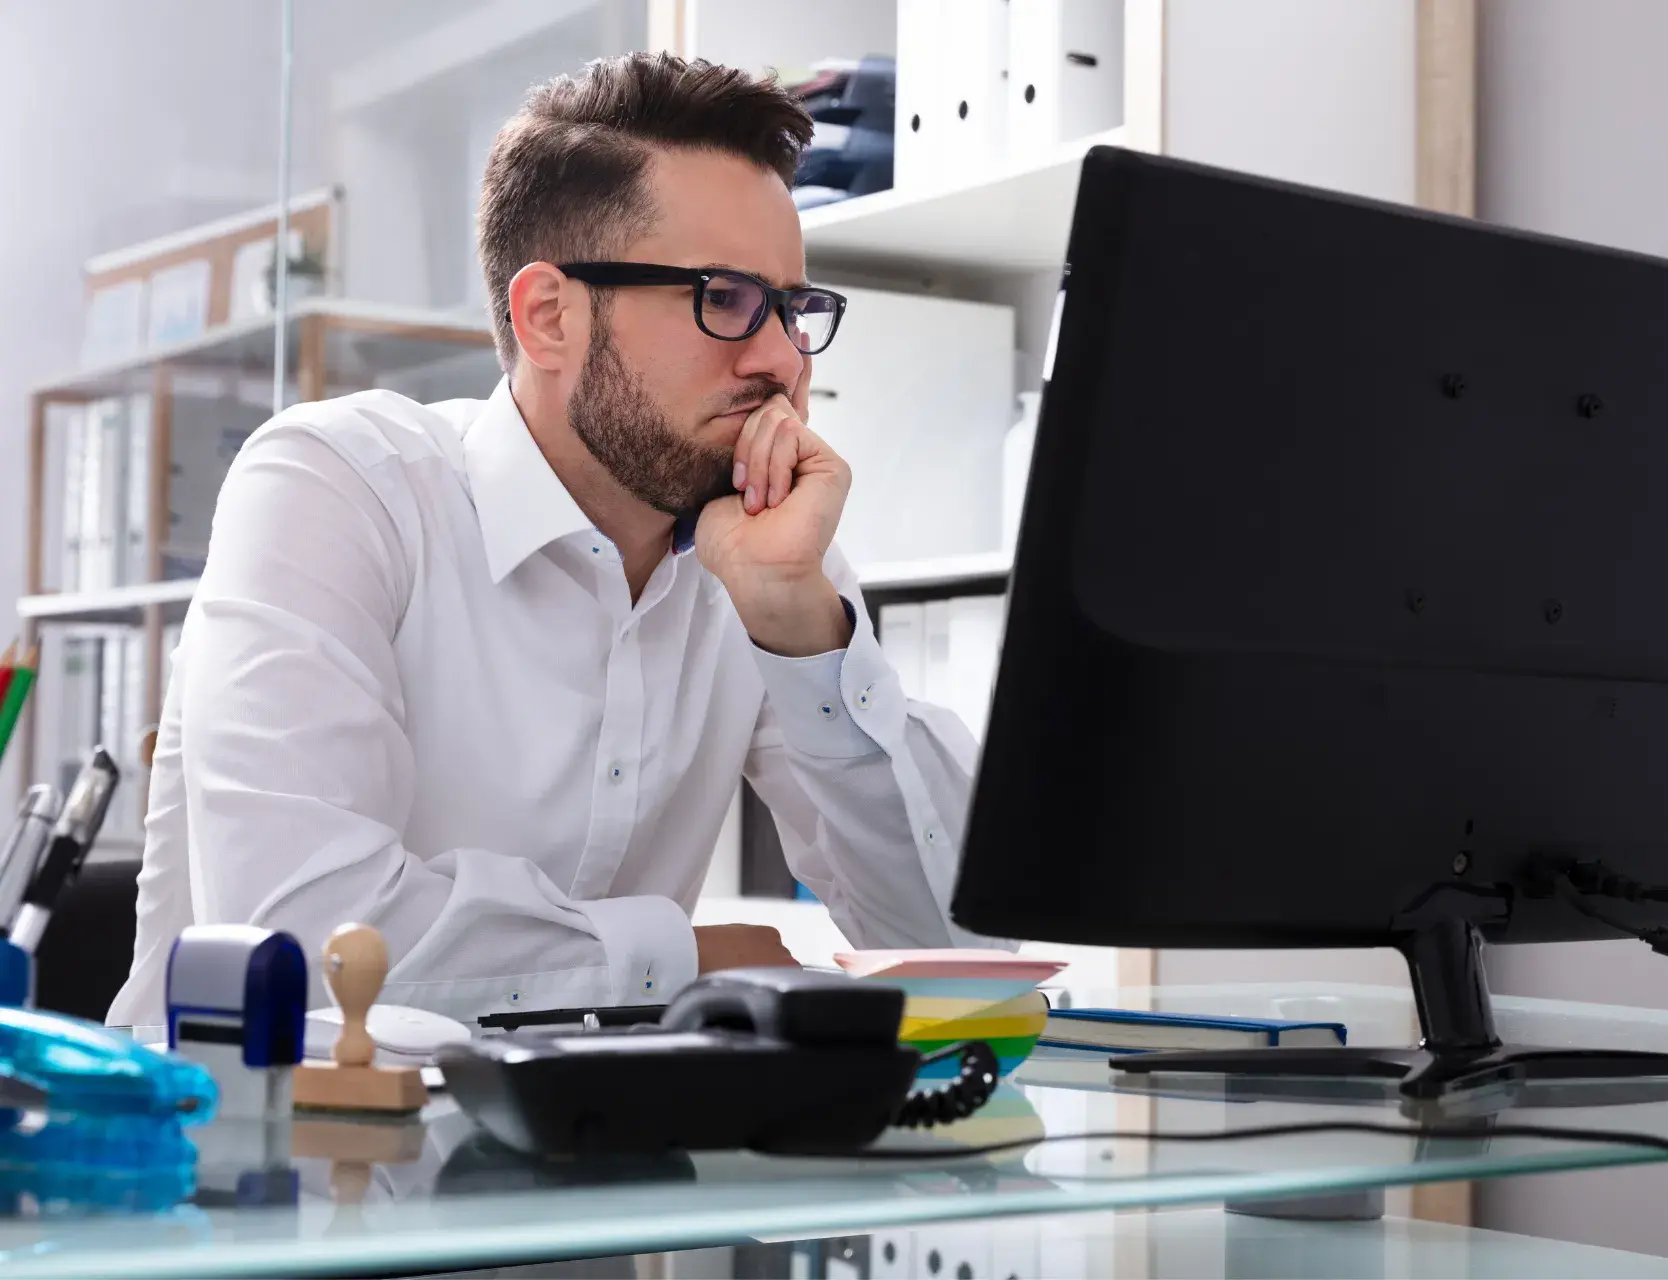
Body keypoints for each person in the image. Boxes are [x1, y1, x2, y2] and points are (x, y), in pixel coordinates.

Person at [108, 53, 1000, 1027]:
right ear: (548, 316)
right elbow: (304, 944)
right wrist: (677, 955)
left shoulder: (764, 559)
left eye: (794, 308)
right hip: (266, 1162)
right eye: (725, 298)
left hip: (599, 1158)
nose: (784, 358)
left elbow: (964, 957)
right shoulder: (336, 485)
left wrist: (805, 634)